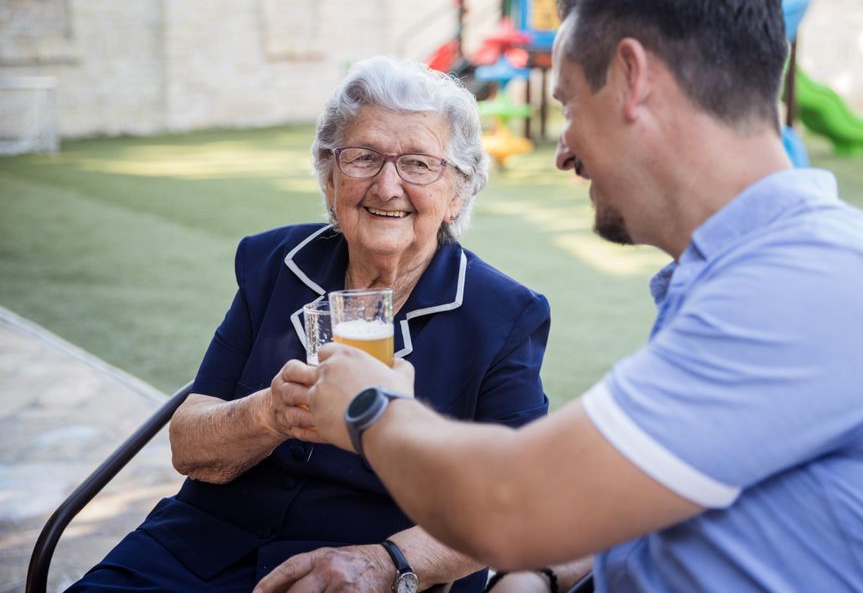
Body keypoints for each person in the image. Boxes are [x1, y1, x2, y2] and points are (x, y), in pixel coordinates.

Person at [257, 0, 863, 592]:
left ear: (632, 79)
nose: (564, 151)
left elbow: (510, 503)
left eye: (569, 105)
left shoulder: (818, 283)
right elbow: (647, 497)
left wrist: (369, 404)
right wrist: (542, 574)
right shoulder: (748, 271)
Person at [67, 56, 551, 593]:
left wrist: (389, 563)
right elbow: (189, 445)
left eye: (418, 164)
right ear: (329, 173)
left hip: (364, 568)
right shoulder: (276, 263)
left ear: (457, 189)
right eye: (363, 157)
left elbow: (513, 501)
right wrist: (271, 413)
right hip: (200, 549)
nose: (387, 186)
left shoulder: (502, 313)